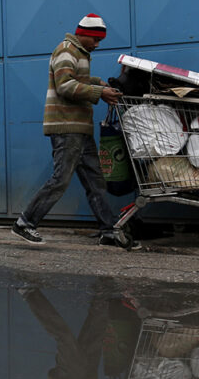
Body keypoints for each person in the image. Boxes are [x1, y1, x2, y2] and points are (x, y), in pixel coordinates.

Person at [13, 13, 122, 245]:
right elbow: (65, 85)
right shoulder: (66, 51)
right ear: (84, 35)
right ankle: (25, 222)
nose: (97, 44)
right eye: (95, 39)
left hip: (80, 127)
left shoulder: (79, 52)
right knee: (60, 179)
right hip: (66, 126)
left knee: (95, 180)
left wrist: (99, 83)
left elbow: (77, 79)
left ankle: (108, 231)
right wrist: (99, 93)